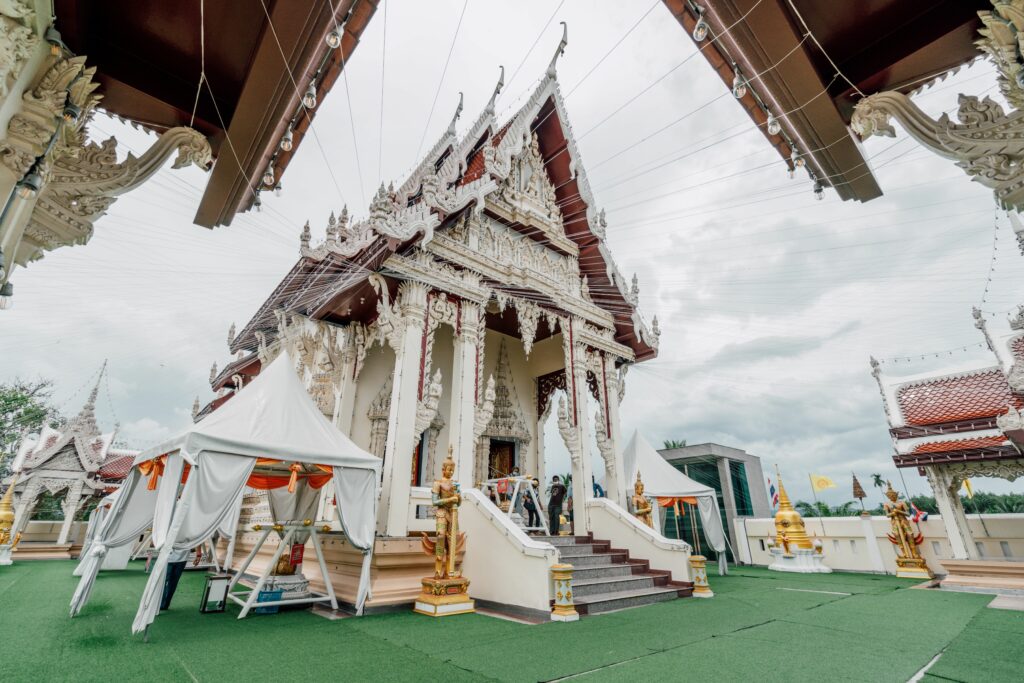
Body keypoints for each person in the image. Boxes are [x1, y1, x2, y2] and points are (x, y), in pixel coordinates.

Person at [160, 546, 198, 611]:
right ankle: (161, 604)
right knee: (164, 581)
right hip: (168, 556)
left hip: (182, 558)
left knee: (172, 582)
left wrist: (198, 554)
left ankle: (164, 604)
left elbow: (196, 539)